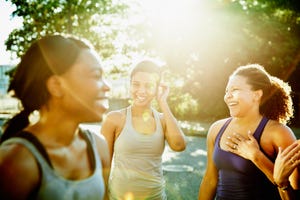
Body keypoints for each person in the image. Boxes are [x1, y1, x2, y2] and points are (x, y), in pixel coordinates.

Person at [0, 35, 111, 200]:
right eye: (96, 76)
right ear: (56, 86)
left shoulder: (99, 147)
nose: (107, 87)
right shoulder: (16, 163)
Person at [198, 64, 298, 200]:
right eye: (227, 91)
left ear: (256, 95)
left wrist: (257, 157)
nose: (228, 96)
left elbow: (293, 191)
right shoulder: (216, 129)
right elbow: (210, 180)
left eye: (235, 90)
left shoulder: (278, 133)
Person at [101, 59, 186, 200]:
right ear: (130, 85)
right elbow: (103, 166)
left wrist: (163, 102)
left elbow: (179, 146)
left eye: (149, 86)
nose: (141, 91)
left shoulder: (163, 120)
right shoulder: (114, 119)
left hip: (156, 197)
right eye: (136, 84)